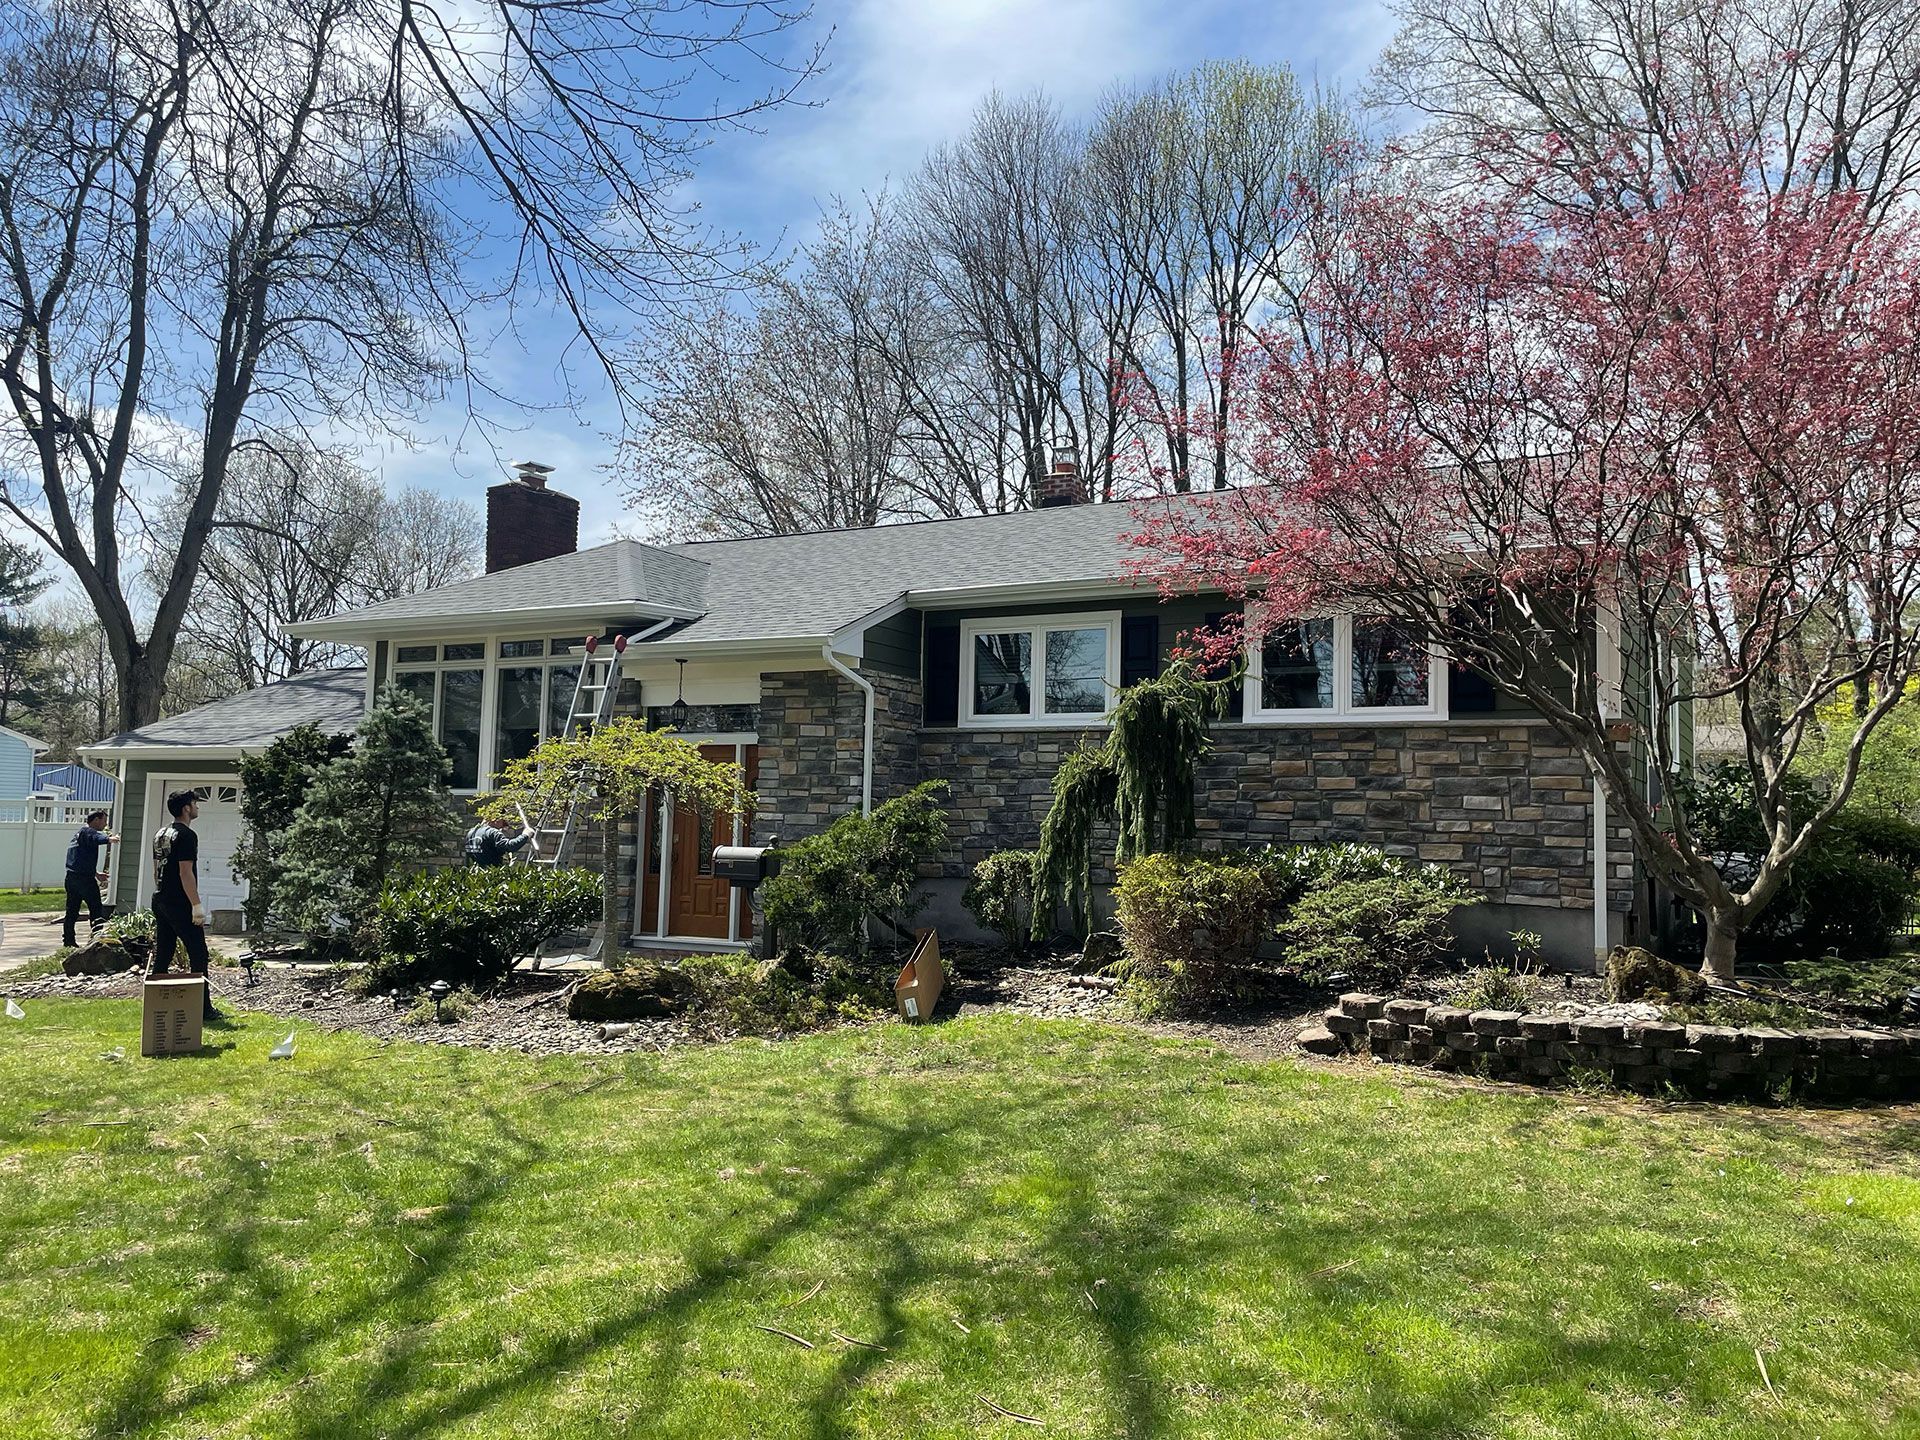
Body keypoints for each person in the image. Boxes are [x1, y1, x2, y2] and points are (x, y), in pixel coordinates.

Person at [150, 788, 219, 1020]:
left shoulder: (161, 833)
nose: (197, 807)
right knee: (198, 953)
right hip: (180, 903)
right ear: (186, 808)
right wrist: (196, 906)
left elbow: (157, 869)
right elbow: (185, 873)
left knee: (164, 953)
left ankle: (155, 1003)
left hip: (160, 899)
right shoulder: (187, 835)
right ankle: (203, 1009)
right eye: (195, 804)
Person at [62, 809, 118, 948]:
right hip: (84, 881)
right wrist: (109, 839)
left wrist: (96, 874)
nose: (105, 824)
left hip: (71, 878)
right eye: (104, 821)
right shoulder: (88, 832)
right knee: (96, 909)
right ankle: (97, 939)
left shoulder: (78, 835)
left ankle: (68, 941)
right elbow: (96, 838)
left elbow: (80, 860)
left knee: (72, 911)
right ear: (96, 820)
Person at [464, 817, 536, 867]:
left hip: (475, 875)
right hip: (491, 875)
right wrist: (525, 835)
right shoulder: (492, 832)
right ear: (495, 819)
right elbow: (509, 846)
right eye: (503, 821)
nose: (503, 825)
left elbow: (468, 856)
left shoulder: (471, 832)